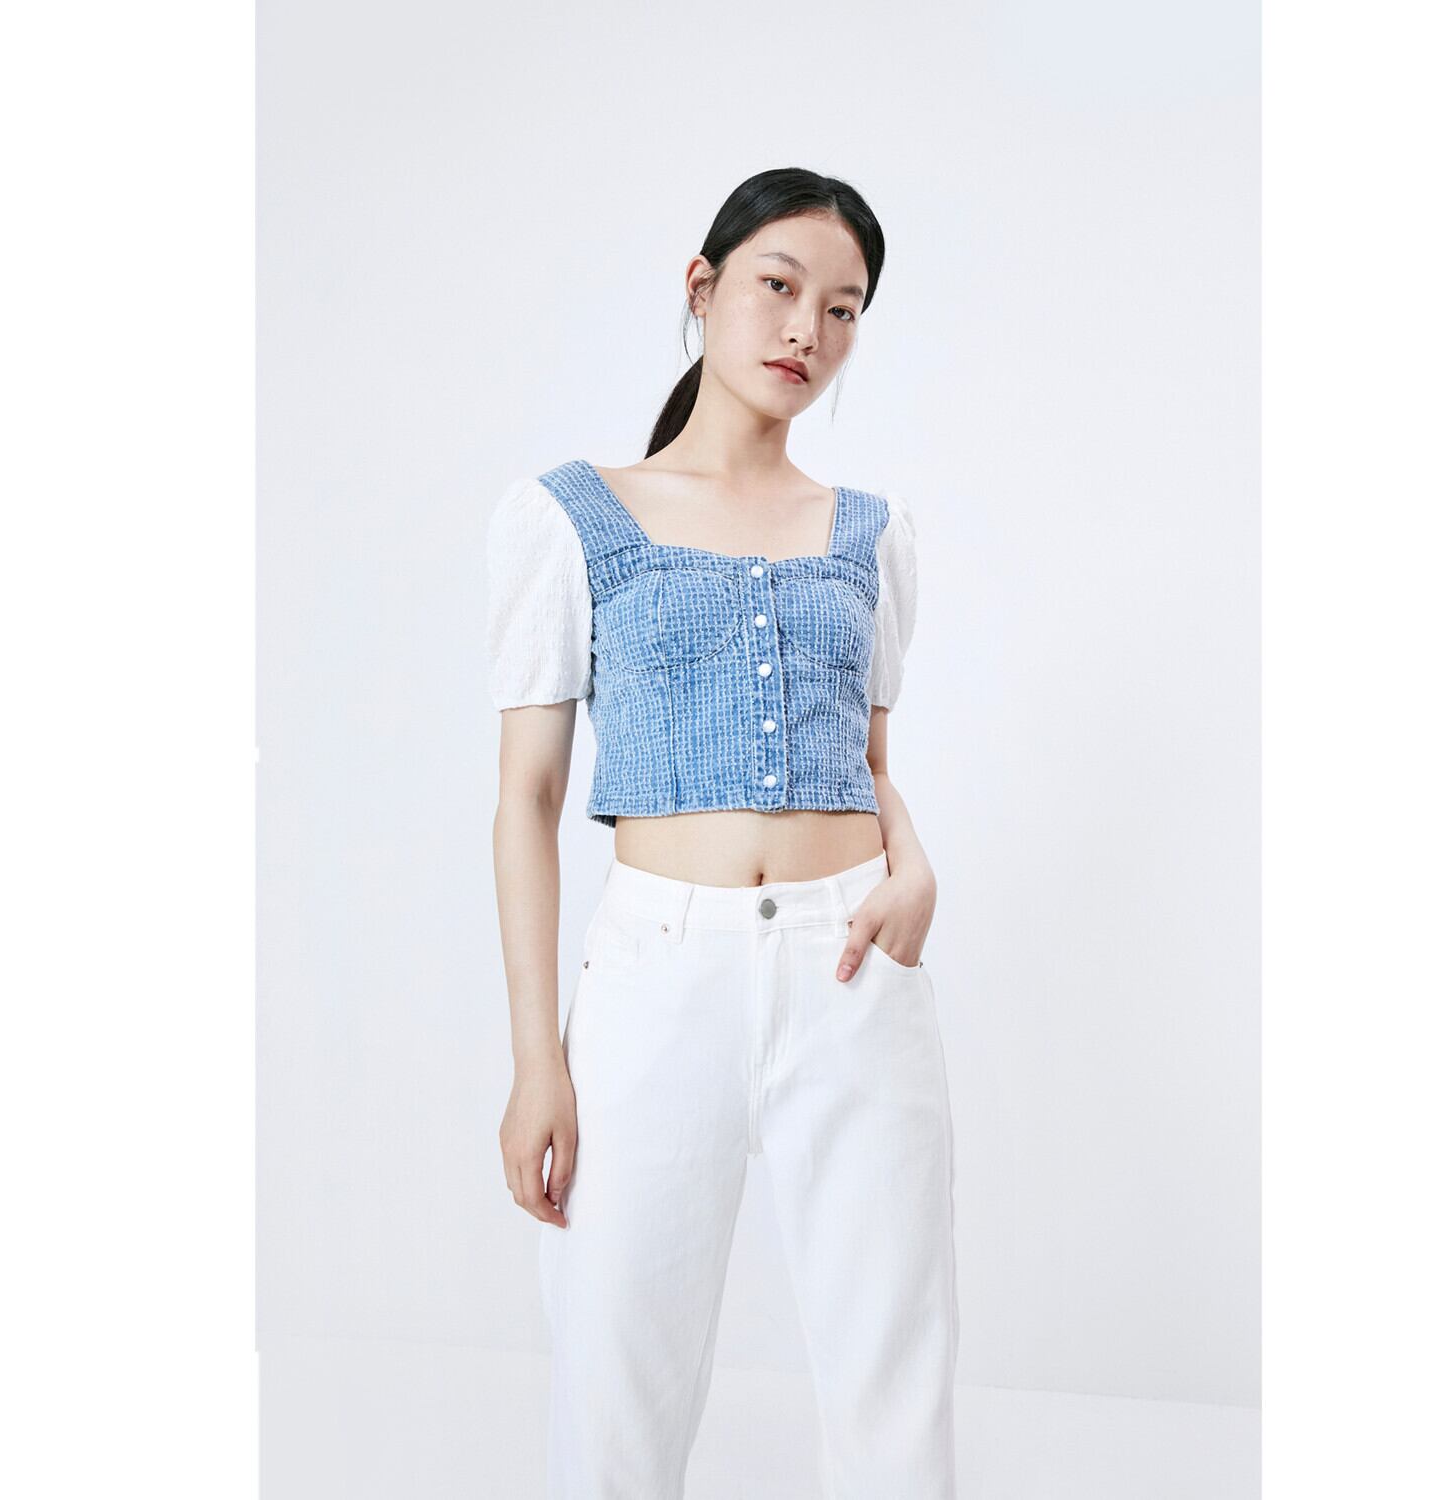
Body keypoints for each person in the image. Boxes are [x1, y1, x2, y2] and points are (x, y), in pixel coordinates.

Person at [486, 167, 959, 1499]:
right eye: (779, 285)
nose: (808, 328)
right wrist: (536, 1060)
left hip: (855, 969)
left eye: (843, 308)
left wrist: (914, 861)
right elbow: (526, 801)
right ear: (702, 288)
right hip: (655, 977)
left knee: (892, 1375)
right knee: (616, 1388)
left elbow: (871, 764)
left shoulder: (871, 534)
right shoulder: (569, 518)